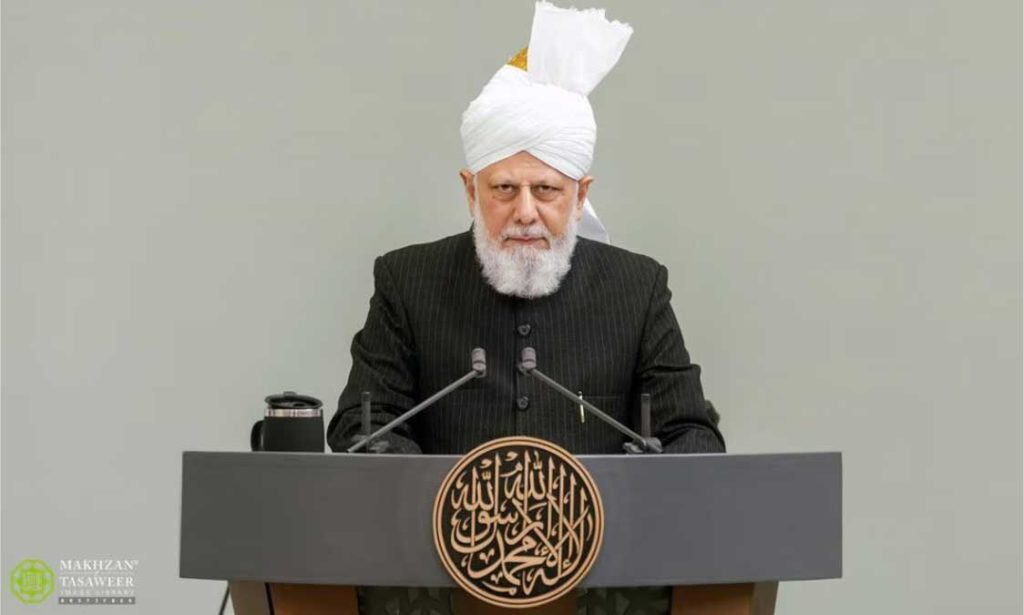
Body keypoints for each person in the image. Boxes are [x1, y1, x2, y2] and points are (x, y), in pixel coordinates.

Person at [326, 2, 724, 612]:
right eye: (505, 189)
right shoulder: (408, 280)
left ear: (580, 194)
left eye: (547, 190)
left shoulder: (637, 287)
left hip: (605, 581)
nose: (526, 213)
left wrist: (640, 480)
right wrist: (448, 496)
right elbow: (362, 424)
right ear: (470, 190)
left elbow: (694, 434)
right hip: (436, 578)